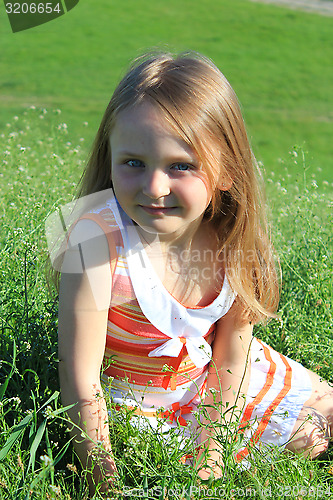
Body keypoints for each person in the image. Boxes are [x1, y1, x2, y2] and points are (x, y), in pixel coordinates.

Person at [56, 51, 332, 494]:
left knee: (323, 424)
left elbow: (230, 360)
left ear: (228, 171)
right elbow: (78, 374)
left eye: (180, 165)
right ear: (110, 157)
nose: (154, 187)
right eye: (133, 163)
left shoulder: (235, 240)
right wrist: (99, 476)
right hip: (140, 407)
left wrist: (212, 452)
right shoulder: (96, 240)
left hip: (216, 389)